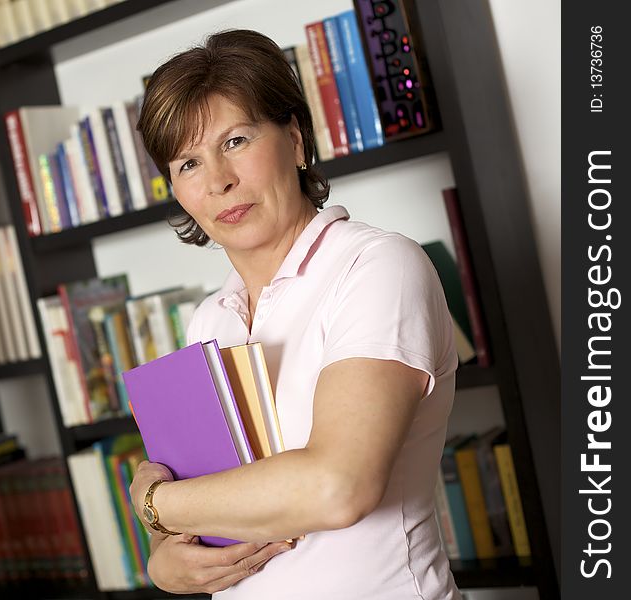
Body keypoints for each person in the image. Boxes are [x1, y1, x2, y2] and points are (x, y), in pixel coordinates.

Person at [128, 29, 461, 599]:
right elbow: (205, 523)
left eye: (236, 141)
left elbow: (338, 487)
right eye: (187, 163)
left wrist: (155, 505)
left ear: (296, 139)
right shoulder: (209, 321)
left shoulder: (377, 268)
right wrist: (164, 560)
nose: (217, 181)